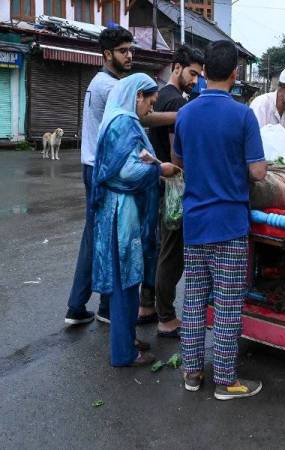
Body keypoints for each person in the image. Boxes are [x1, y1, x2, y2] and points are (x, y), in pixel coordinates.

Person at [64, 27, 178, 327]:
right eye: (123, 51)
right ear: (107, 55)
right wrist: (181, 116)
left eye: (131, 50)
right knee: (103, 237)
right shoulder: (110, 87)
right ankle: (88, 305)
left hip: (99, 165)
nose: (129, 56)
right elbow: (141, 117)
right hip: (104, 169)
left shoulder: (106, 82)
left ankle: (94, 305)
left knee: (100, 235)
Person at [171, 40, 266, 399]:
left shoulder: (186, 114)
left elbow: (178, 164)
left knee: (194, 299)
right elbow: (257, 172)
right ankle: (226, 381)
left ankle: (192, 373)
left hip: (194, 223)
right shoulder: (243, 115)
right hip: (229, 225)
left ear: (205, 72)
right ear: (235, 74)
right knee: (226, 303)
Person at [91, 73, 180, 367]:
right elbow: (127, 172)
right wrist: (159, 169)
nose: (150, 111)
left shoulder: (117, 117)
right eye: (150, 103)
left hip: (118, 210)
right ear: (137, 96)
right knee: (125, 284)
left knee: (126, 281)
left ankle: (127, 340)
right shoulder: (124, 122)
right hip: (122, 212)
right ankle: (123, 354)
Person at [138, 45, 204, 338]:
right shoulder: (175, 101)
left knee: (158, 247)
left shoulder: (160, 97)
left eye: (199, 75)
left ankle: (147, 305)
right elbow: (180, 153)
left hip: (159, 182)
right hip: (173, 183)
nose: (195, 80)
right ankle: (166, 317)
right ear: (176, 67)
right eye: (192, 73)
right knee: (171, 252)